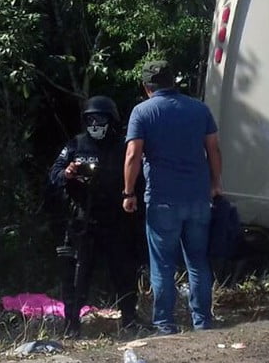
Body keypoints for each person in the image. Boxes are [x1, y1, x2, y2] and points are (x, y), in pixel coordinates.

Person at [122, 61, 222, 335]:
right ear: (173, 82)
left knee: (163, 264)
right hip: (198, 198)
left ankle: (165, 324)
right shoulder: (199, 109)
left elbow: (133, 155)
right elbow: (213, 150)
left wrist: (129, 192)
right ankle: (203, 322)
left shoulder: (142, 112)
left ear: (146, 87)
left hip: (162, 199)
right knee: (198, 262)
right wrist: (215, 184)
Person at [48, 96, 143, 337]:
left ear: (111, 121)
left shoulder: (123, 148)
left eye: (100, 119)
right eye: (90, 119)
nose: (95, 124)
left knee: (124, 272)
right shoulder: (75, 145)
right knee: (78, 275)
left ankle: (130, 319)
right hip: (82, 222)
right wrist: (68, 173)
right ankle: (72, 325)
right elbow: (54, 174)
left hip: (117, 221)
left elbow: (139, 179)